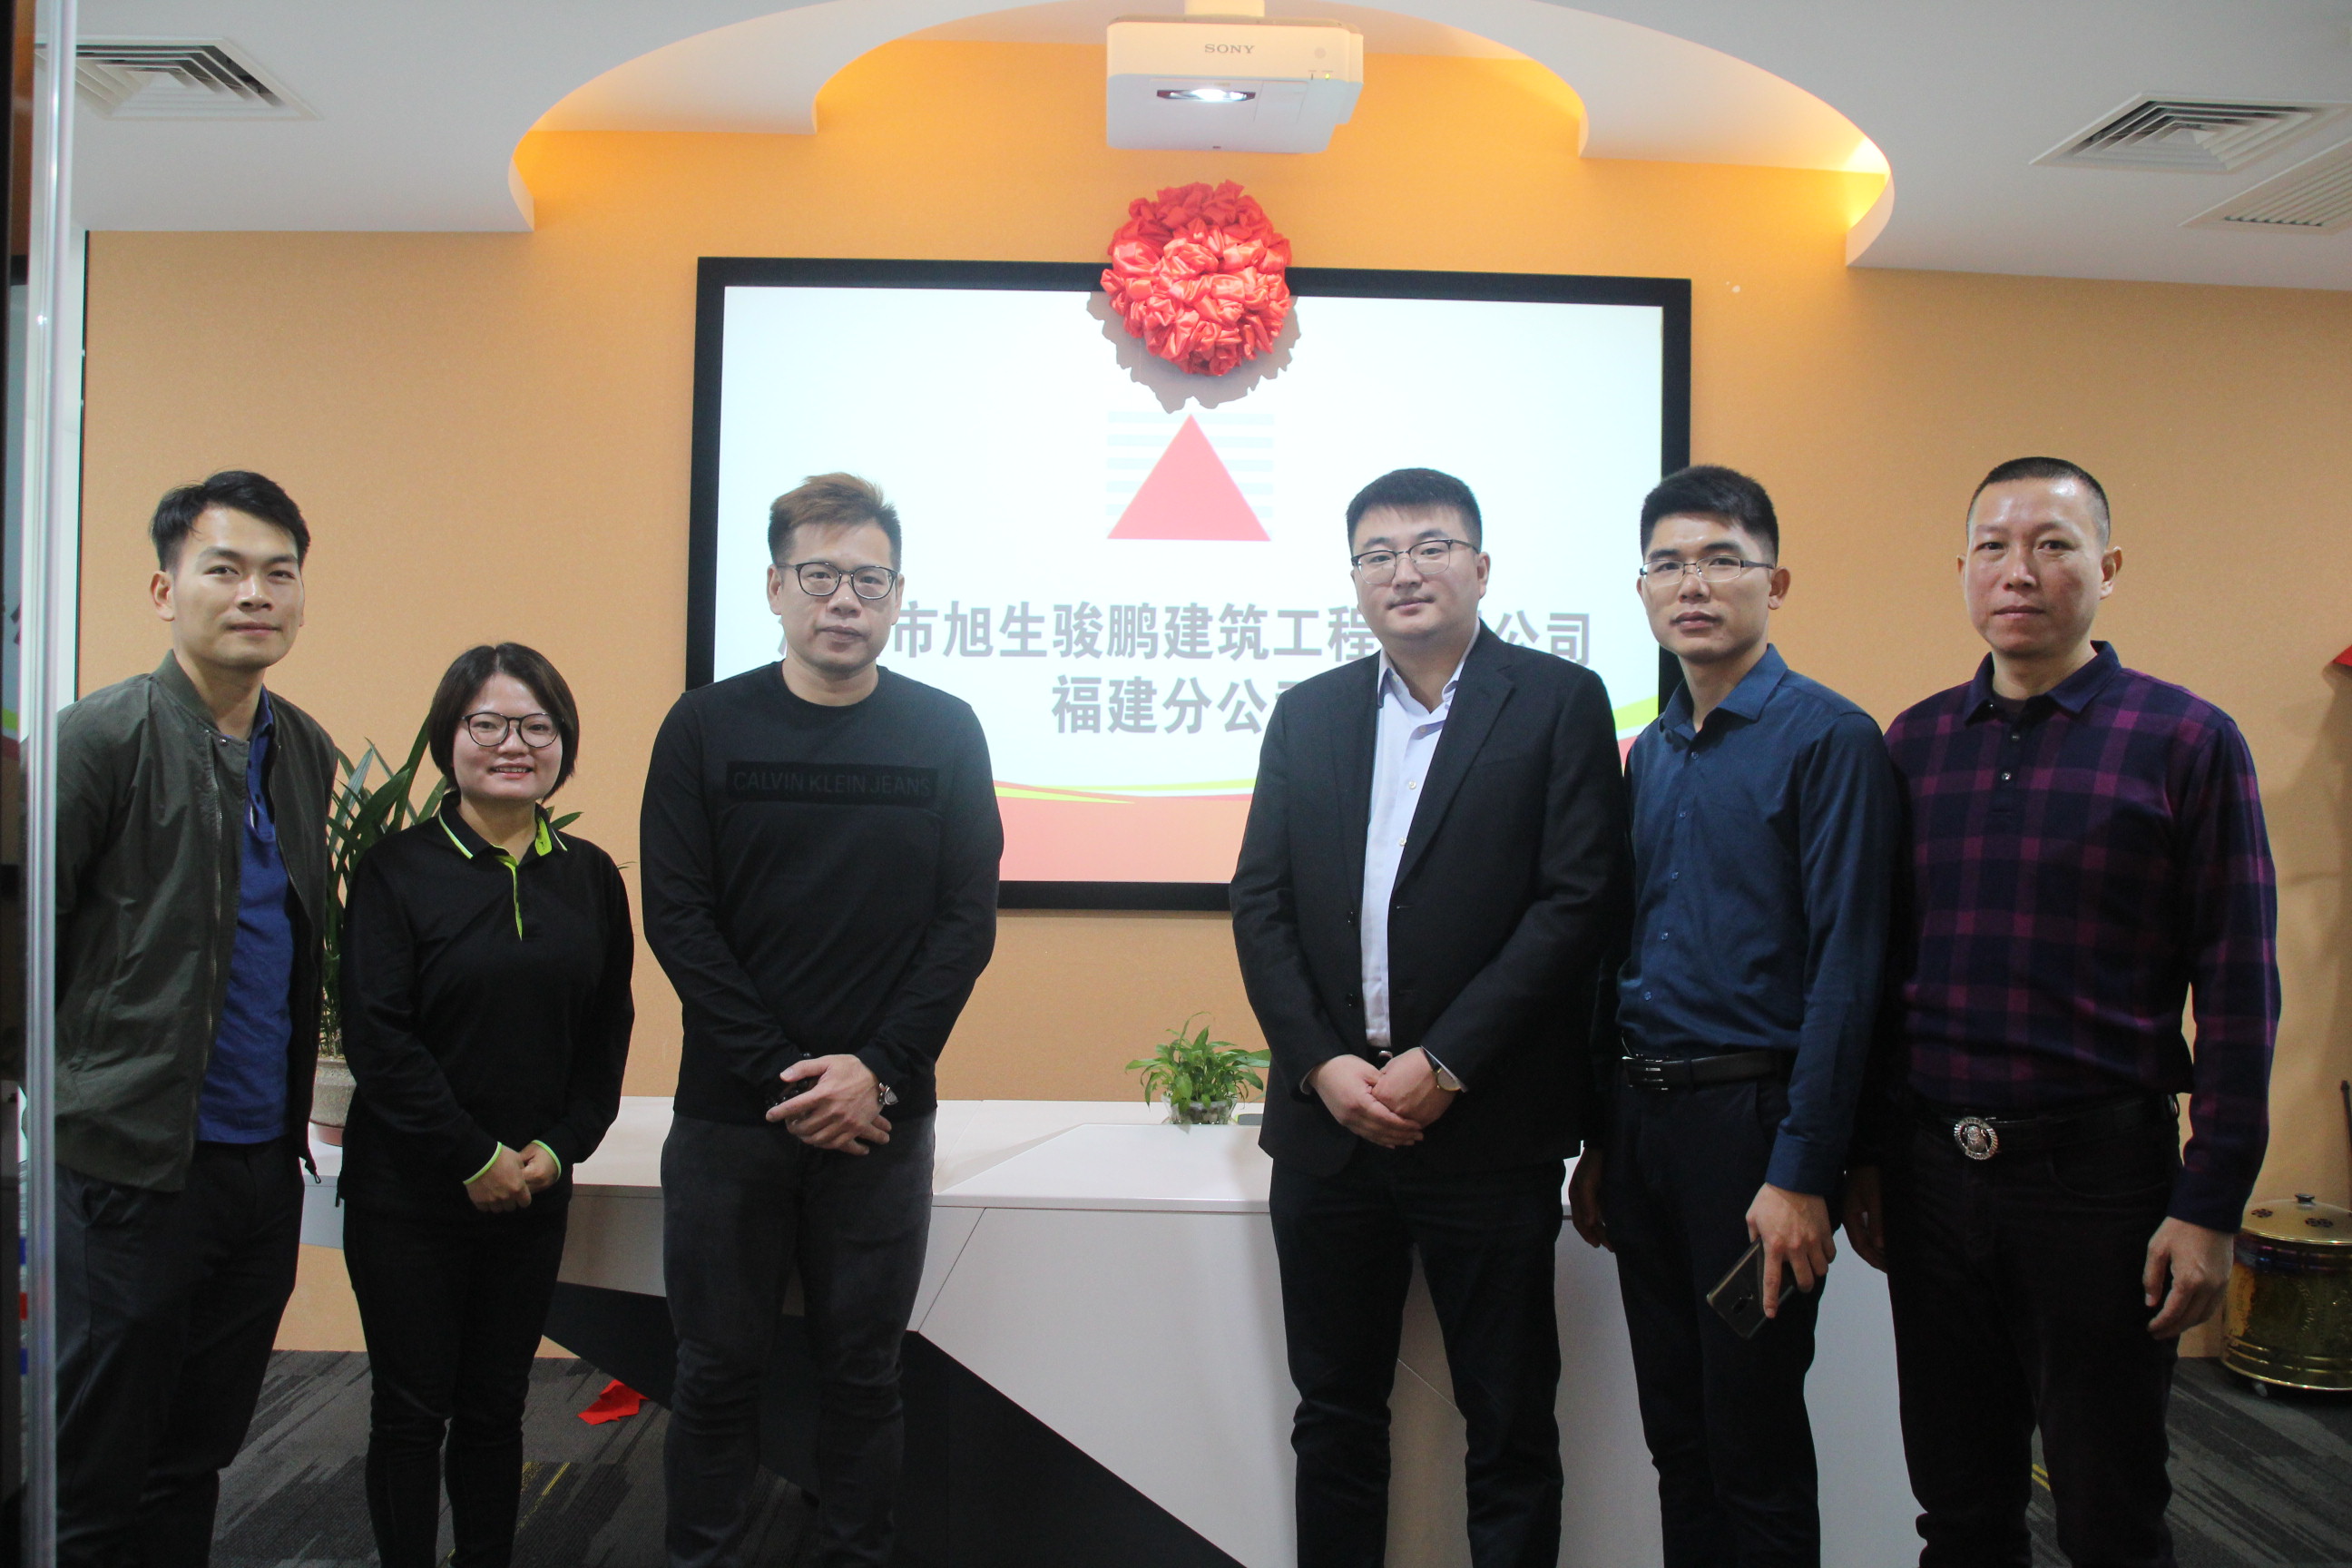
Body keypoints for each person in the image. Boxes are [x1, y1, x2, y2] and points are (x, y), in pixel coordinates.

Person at [1843, 457, 2278, 1568]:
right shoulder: (1914, 743)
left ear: (2107, 567)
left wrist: (2210, 1203)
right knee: (1959, 1509)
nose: (2019, 572)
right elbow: (1881, 974)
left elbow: (2239, 989)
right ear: (1962, 569)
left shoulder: (2186, 742)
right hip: (1933, 1179)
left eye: (2053, 545)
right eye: (1994, 547)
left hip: (2101, 1187)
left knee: (2109, 1511)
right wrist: (1872, 1157)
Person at [1230, 466, 1631, 1568]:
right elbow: (1260, 901)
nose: (1403, 571)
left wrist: (1447, 1061)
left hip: (1487, 1127)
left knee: (1509, 1421)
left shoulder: (1557, 700)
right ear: (1355, 578)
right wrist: (1319, 1064)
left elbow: (1577, 900)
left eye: (1431, 547)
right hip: (1329, 1129)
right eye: (1378, 554)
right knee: (1334, 1417)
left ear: (1481, 567)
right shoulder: (1308, 713)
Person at [642, 472, 1002, 1568]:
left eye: (869, 580)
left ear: (897, 596)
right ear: (774, 586)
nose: (845, 599)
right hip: (729, 1116)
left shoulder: (946, 731)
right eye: (820, 575)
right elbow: (679, 917)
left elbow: (963, 923)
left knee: (865, 1374)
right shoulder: (704, 727)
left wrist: (875, 1073)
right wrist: (790, 1077)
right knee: (714, 1372)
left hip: (881, 1122)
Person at [1566, 466, 1897, 1567]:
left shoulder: (1829, 739)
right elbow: (1622, 956)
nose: (1692, 585)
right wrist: (1603, 1139)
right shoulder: (1651, 752)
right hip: (1647, 1129)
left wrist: (1803, 1172)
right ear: (1643, 590)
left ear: (1776, 581)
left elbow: (1849, 972)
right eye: (1667, 564)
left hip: (1752, 1136)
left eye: (1721, 560)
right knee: (1678, 1439)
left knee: (1751, 1441)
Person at [53, 472, 337, 1566]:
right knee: (98, 1465)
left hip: (259, 1169)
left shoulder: (302, 748)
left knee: (199, 1450)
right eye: (225, 568)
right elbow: (27, 943)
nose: (256, 593)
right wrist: (66, 1092)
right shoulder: (100, 739)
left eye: (279, 572)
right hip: (129, 1165)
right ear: (166, 591)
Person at [338, 642, 634, 1568]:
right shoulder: (395, 871)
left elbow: (606, 1035)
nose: (515, 744)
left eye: (537, 727)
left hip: (533, 1191)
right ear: (450, 738)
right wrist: (472, 1156)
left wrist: (558, 1148)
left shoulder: (590, 876)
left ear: (564, 744)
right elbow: (379, 1037)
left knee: (497, 1408)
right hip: (409, 1196)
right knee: (409, 1409)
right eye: (489, 724)